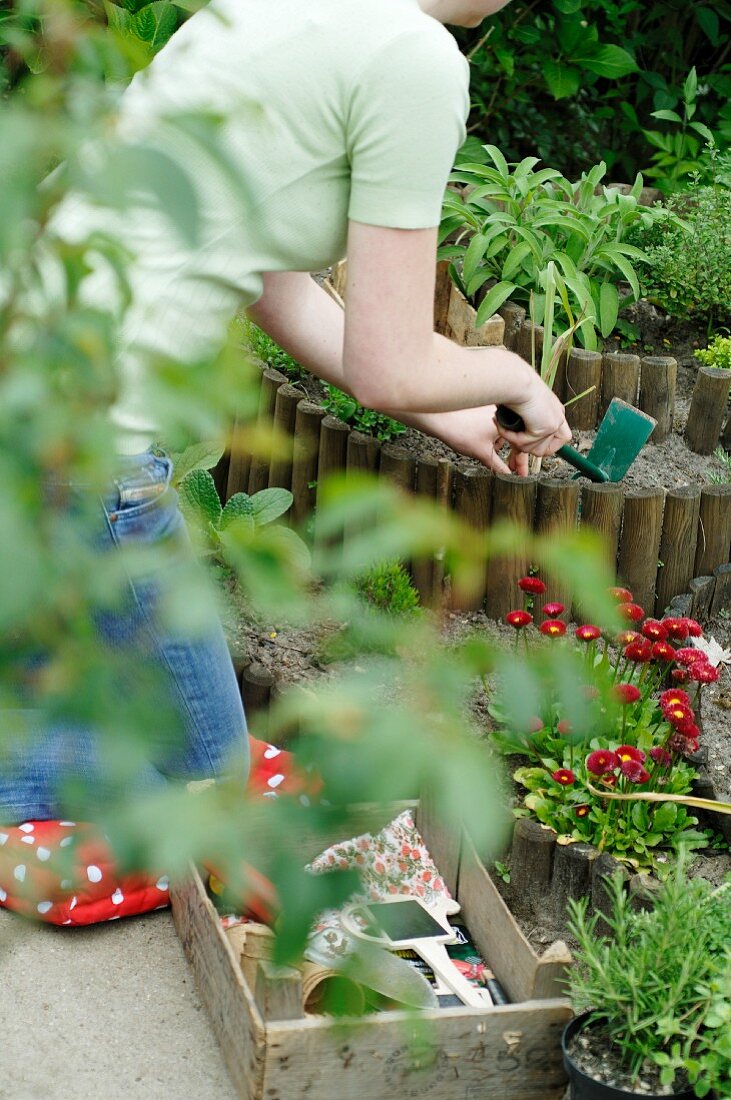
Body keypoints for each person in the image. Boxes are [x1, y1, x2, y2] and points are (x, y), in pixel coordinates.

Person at [1, 0, 570, 824]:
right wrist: (512, 374)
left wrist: (452, 413)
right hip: (85, 439)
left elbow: (268, 280)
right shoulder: (414, 57)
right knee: (203, 776)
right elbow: (391, 364)